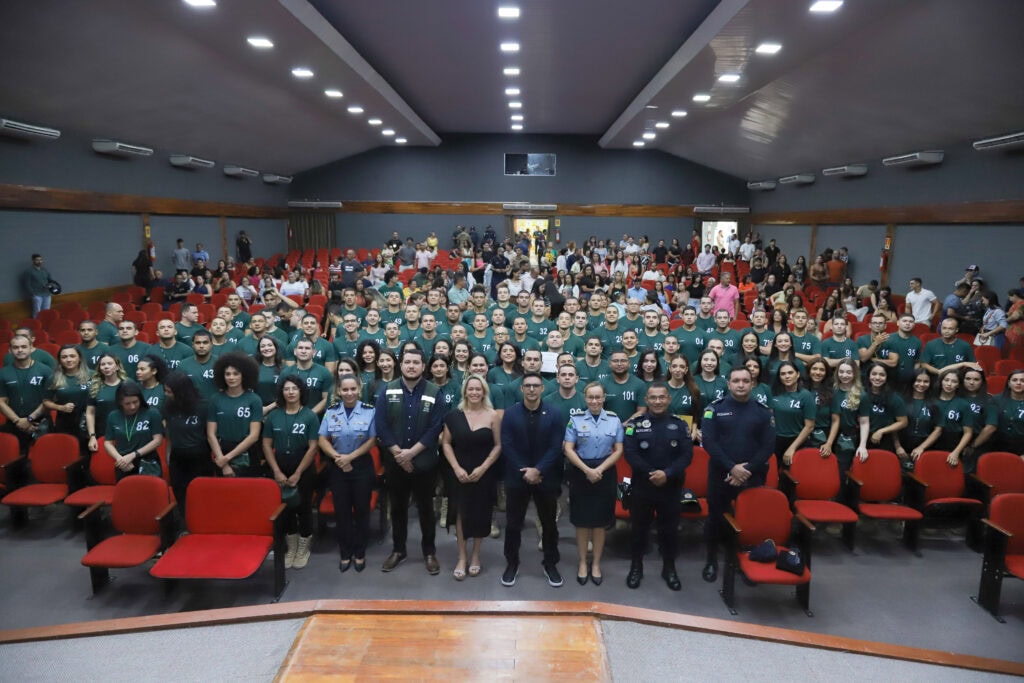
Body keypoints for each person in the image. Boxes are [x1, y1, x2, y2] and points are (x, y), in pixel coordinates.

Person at [701, 366, 775, 583]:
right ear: (729, 384)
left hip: (753, 475)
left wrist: (747, 469)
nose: (740, 385)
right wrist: (732, 467)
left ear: (752, 384)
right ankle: (711, 560)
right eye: (736, 381)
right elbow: (709, 442)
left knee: (748, 519)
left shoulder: (763, 412)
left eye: (745, 381)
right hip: (721, 474)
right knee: (715, 518)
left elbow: (768, 446)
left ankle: (745, 561)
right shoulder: (714, 409)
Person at [375, 348, 445, 575]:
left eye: (416, 362)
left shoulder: (434, 392)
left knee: (426, 509)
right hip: (395, 463)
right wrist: (399, 454)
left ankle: (429, 552)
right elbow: (381, 425)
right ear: (401, 365)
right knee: (397, 509)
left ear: (423, 366)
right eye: (408, 362)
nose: (411, 366)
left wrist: (411, 454)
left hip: (424, 463)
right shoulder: (388, 390)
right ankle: (398, 550)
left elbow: (436, 427)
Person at [499, 372, 565, 588]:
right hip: (517, 477)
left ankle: (550, 563)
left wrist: (538, 470)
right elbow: (507, 445)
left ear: (542, 388)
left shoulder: (554, 413)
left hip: (546, 477)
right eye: (527, 385)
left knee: (549, 524)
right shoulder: (510, 413)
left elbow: (556, 446)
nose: (531, 389)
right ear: (522, 388)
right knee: (513, 524)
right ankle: (512, 563)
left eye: (536, 385)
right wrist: (525, 471)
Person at [440, 374, 502, 581]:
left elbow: (498, 446)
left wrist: (483, 468)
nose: (474, 392)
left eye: (478, 389)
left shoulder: (493, 415)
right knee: (461, 513)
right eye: (471, 389)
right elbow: (446, 443)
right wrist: (456, 468)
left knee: (480, 514)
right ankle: (462, 557)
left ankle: (475, 555)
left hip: (483, 473)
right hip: (459, 473)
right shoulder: (453, 415)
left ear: (484, 392)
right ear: (465, 391)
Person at [564, 382, 624, 586]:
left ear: (604, 398)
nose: (595, 401)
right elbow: (568, 449)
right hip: (581, 471)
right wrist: (587, 470)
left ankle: (596, 563)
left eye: (598, 397)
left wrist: (599, 470)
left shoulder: (614, 420)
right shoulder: (575, 419)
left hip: (605, 472)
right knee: (581, 521)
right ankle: (582, 562)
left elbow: (618, 450)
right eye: (591, 397)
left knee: (600, 522)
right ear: (585, 398)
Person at [319, 372, 377, 573]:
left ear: (359, 389)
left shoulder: (370, 411)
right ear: (338, 391)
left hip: (361, 466)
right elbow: (322, 439)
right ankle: (345, 552)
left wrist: (349, 458)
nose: (349, 393)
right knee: (342, 512)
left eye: (353, 389)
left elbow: (372, 440)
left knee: (361, 511)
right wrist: (338, 458)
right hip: (338, 467)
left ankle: (360, 552)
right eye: (345, 389)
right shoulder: (331, 412)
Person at [263, 375, 320, 569]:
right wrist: (276, 471)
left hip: (303, 467)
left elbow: (313, 447)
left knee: (304, 507)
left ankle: (304, 546)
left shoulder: (310, 416)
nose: (290, 392)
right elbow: (266, 444)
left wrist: (298, 473)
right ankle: (291, 546)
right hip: (280, 466)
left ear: (301, 391)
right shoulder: (274, 416)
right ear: (281, 392)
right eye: (286, 389)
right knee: (285, 508)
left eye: (294, 388)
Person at [161, 371, 212, 515]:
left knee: (200, 494)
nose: (166, 394)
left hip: (200, 457)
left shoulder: (203, 406)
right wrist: (168, 457)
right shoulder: (168, 406)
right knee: (180, 494)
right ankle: (185, 522)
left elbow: (210, 434)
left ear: (181, 392)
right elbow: (169, 434)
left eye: (169, 391)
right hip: (177, 457)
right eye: (165, 390)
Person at [206, 351, 263, 477]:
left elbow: (254, 436)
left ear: (244, 375)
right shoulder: (215, 399)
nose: (231, 377)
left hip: (247, 453)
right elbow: (211, 434)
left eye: (236, 374)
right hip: (221, 451)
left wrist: (226, 459)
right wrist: (223, 462)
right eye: (227, 374)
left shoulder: (254, 400)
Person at [0, 334, 55, 452]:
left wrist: (29, 419)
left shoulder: (45, 370)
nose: (20, 350)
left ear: (31, 348)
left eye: (24, 347)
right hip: (14, 423)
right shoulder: (3, 373)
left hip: (41, 422)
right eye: (16, 347)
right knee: (15, 459)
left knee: (43, 456)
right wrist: (18, 421)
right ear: (10, 350)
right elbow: (1, 401)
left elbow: (49, 400)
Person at [103, 382, 164, 479]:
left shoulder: (152, 413)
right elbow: (108, 443)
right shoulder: (113, 416)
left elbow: (158, 440)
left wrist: (133, 455)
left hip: (147, 462)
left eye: (135, 402)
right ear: (120, 402)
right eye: (127, 404)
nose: (132, 406)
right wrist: (120, 459)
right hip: (123, 463)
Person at [824, 358, 871, 474]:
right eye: (841, 372)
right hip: (827, 434)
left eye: (849, 372)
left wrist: (862, 445)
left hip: (847, 437)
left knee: (841, 470)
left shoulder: (861, 395)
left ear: (855, 374)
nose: (844, 375)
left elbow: (864, 422)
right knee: (825, 468)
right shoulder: (831, 390)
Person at [43, 345, 91, 446]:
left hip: (89, 421)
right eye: (64, 357)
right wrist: (61, 407)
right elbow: (46, 401)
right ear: (60, 360)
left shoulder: (92, 375)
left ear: (79, 358)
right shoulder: (54, 378)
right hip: (65, 422)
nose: (68, 360)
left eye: (72, 356)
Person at [84, 353, 127, 456]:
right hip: (102, 433)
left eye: (110, 363)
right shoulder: (95, 387)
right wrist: (92, 436)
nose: (106, 366)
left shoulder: (127, 384)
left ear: (117, 366)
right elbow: (90, 413)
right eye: (103, 364)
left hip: (126, 433)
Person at [22, 253, 54, 318]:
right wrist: (33, 294)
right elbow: (27, 284)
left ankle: (45, 323)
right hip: (37, 295)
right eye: (37, 260)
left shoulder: (44, 270)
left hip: (47, 294)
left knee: (46, 311)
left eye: (41, 260)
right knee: (37, 312)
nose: (39, 261)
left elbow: (50, 280)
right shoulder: (28, 271)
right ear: (33, 260)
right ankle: (36, 323)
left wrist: (50, 285)